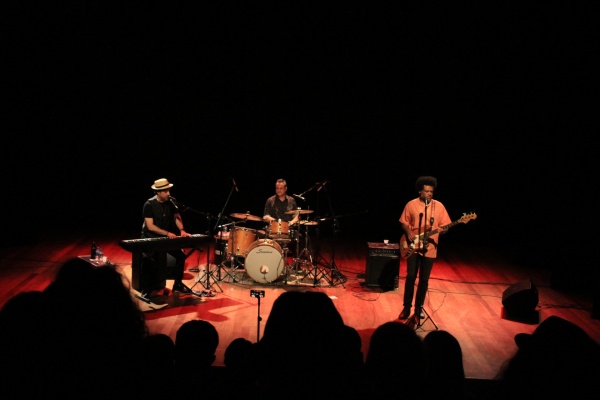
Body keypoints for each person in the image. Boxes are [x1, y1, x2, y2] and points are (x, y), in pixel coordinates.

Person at [398, 176, 451, 320]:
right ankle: (406, 307)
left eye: (431, 192)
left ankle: (419, 308)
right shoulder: (411, 205)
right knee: (410, 276)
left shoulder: (439, 206)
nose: (429, 194)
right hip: (413, 245)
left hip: (430, 248)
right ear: (420, 191)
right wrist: (408, 232)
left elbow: (445, 225)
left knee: (424, 279)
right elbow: (403, 222)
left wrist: (444, 229)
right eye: (426, 191)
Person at [142, 178, 197, 296]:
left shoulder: (171, 202)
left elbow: (177, 217)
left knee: (180, 256)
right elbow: (150, 226)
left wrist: (182, 230)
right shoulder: (149, 204)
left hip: (166, 238)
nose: (169, 193)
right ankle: (146, 289)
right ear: (158, 192)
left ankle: (177, 284)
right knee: (150, 261)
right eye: (165, 191)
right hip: (151, 238)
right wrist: (167, 233)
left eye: (169, 190)